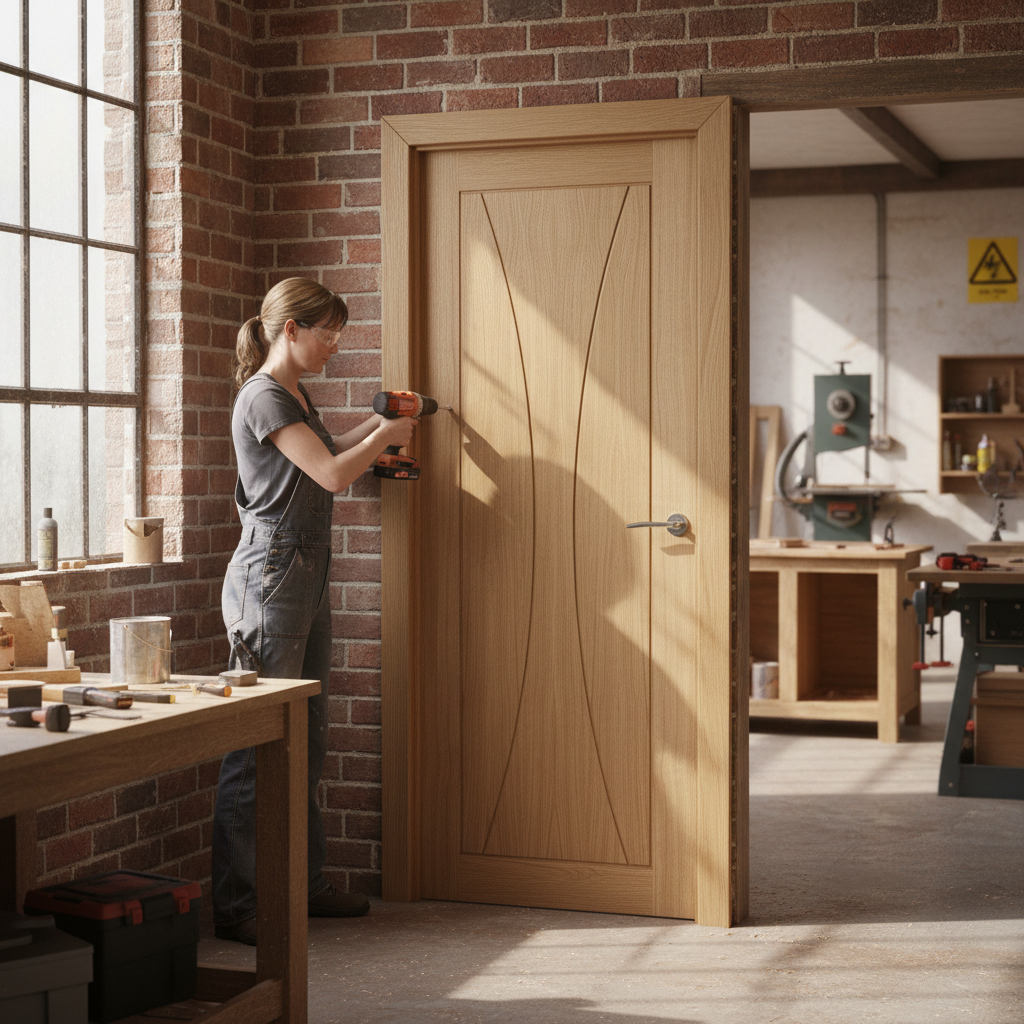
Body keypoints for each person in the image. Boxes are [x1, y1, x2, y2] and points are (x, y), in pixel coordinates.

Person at [212, 277, 417, 946]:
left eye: (339, 330)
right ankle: (241, 904)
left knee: (309, 730)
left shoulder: (295, 393)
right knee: (256, 740)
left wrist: (384, 426)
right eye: (327, 330)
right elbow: (331, 475)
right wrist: (388, 430)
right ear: (290, 330)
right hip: (270, 576)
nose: (335, 342)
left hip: (301, 570)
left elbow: (326, 454)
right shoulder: (265, 395)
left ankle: (303, 882)